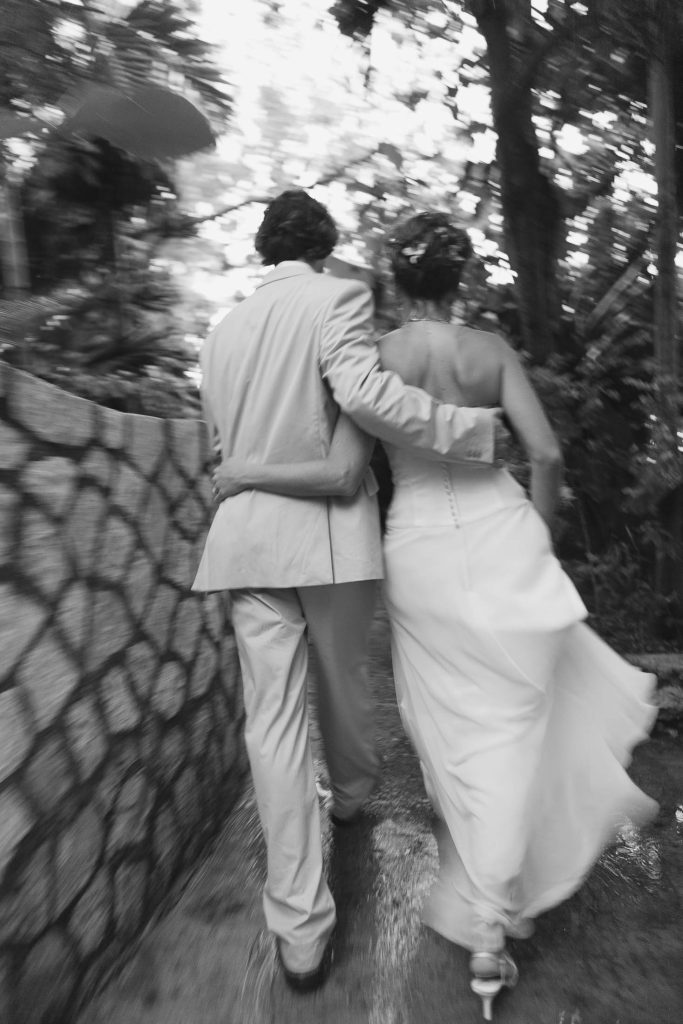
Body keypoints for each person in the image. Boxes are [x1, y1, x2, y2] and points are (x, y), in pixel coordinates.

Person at [212, 211, 658, 1018]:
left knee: (437, 725)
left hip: (405, 550)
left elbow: (342, 460)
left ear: (397, 278)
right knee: (515, 714)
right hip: (497, 536)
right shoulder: (486, 350)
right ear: (459, 278)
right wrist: (541, 533)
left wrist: (239, 469)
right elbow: (547, 454)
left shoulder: (346, 351)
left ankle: (415, 901)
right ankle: (491, 898)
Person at [192, 192, 505, 993]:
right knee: (343, 681)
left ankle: (298, 932)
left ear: (266, 249)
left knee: (271, 730)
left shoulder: (222, 333)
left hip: (245, 545)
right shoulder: (337, 297)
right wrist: (467, 431)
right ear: (324, 247)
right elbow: (365, 396)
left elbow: (221, 445)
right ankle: (354, 796)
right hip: (327, 540)